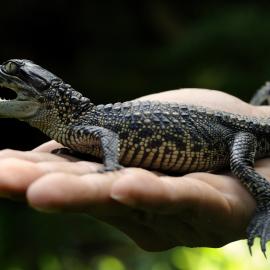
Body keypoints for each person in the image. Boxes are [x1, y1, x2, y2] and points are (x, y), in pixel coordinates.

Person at [0, 88, 269, 251]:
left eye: (14, 72)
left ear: (46, 98)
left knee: (239, 164)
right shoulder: (77, 128)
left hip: (240, 133)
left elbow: (108, 138)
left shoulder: (81, 126)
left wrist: (111, 165)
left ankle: (267, 203)